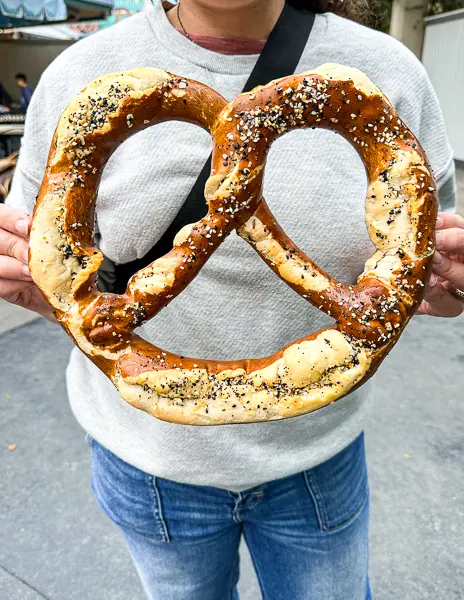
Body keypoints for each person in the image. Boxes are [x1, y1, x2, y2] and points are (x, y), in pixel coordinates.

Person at [1, 1, 464, 598]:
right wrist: (38, 288)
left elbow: (422, 265)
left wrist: (451, 290)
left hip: (316, 459)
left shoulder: (390, 72)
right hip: (148, 463)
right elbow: (54, 261)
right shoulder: (75, 75)